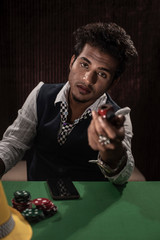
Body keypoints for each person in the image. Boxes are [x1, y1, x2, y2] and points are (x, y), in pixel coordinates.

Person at [0, 22, 144, 184]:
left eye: (102, 74)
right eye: (84, 65)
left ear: (113, 82)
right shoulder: (40, 94)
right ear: (72, 62)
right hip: (40, 200)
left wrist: (111, 151)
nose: (87, 79)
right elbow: (14, 143)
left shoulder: (117, 117)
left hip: (90, 203)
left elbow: (122, 177)